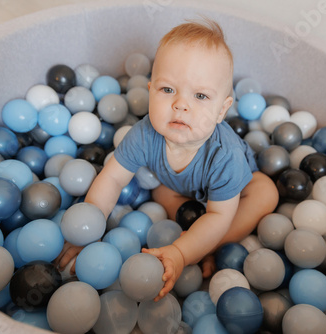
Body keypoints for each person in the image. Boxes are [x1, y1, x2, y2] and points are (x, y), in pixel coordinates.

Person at [55, 18, 279, 301]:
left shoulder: (226, 157)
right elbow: (111, 179)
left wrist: (180, 253)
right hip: (175, 187)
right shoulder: (144, 133)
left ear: (222, 110)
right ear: (150, 91)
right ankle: (193, 234)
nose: (180, 105)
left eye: (200, 96)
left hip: (232, 196)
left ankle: (209, 246)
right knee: (159, 188)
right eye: (168, 90)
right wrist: (86, 231)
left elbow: (219, 215)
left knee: (265, 192)